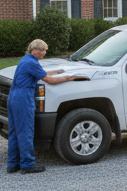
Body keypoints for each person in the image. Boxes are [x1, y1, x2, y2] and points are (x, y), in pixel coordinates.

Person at [7, 38, 81, 174]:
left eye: (45, 50)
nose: (44, 53)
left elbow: (42, 74)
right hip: (23, 98)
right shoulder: (32, 62)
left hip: (13, 97)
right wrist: (68, 78)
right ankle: (27, 164)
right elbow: (49, 80)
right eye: (41, 50)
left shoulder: (26, 60)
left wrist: (58, 71)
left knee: (15, 132)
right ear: (33, 49)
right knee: (26, 132)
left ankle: (13, 164)